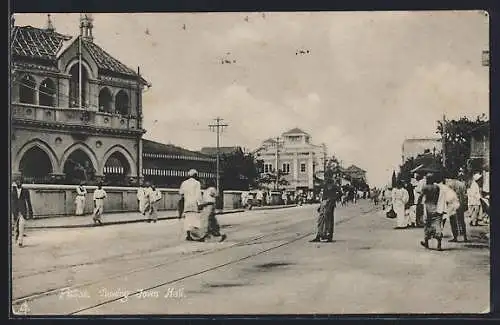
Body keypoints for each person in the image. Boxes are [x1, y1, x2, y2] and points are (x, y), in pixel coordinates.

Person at [310, 177, 341, 242]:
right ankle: (319, 235)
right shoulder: (325, 185)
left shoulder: (334, 186)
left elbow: (340, 193)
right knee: (321, 220)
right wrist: (320, 206)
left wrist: (332, 199)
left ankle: (328, 236)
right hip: (324, 204)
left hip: (330, 204)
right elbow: (324, 196)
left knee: (329, 221)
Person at [419, 173, 445, 251]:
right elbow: (437, 197)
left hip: (427, 207)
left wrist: (419, 205)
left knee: (427, 225)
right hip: (435, 206)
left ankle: (426, 242)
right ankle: (439, 245)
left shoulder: (425, 187)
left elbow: (421, 197)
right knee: (437, 225)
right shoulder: (437, 187)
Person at [179, 169, 205, 241]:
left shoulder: (184, 183)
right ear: (195, 175)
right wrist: (200, 204)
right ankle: (197, 236)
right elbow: (198, 195)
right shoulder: (197, 183)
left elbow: (181, 192)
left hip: (187, 204)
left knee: (187, 219)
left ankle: (188, 235)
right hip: (194, 204)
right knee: (195, 219)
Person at [446, 172, 468, 242]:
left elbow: (448, 195)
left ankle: (455, 237)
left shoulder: (449, 184)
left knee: (453, 221)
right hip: (460, 204)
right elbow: (465, 196)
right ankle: (465, 237)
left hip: (452, 204)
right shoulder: (462, 184)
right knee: (461, 220)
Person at [11, 178, 33, 247]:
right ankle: (16, 237)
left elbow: (28, 201)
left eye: (20, 181)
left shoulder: (25, 191)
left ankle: (20, 241)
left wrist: (30, 212)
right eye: (17, 181)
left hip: (23, 210)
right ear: (15, 182)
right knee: (16, 226)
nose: (18, 182)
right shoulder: (12, 191)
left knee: (21, 226)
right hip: (15, 211)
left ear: (22, 182)